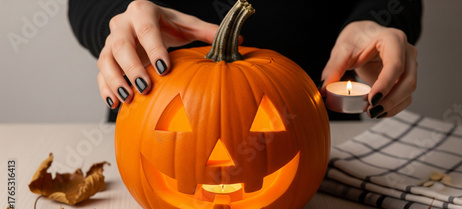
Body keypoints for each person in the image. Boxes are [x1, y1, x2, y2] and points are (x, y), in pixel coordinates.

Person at [68, 0, 422, 122]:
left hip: (319, 135)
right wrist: (118, 22)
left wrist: (382, 20)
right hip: (150, 101)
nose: (223, 161)